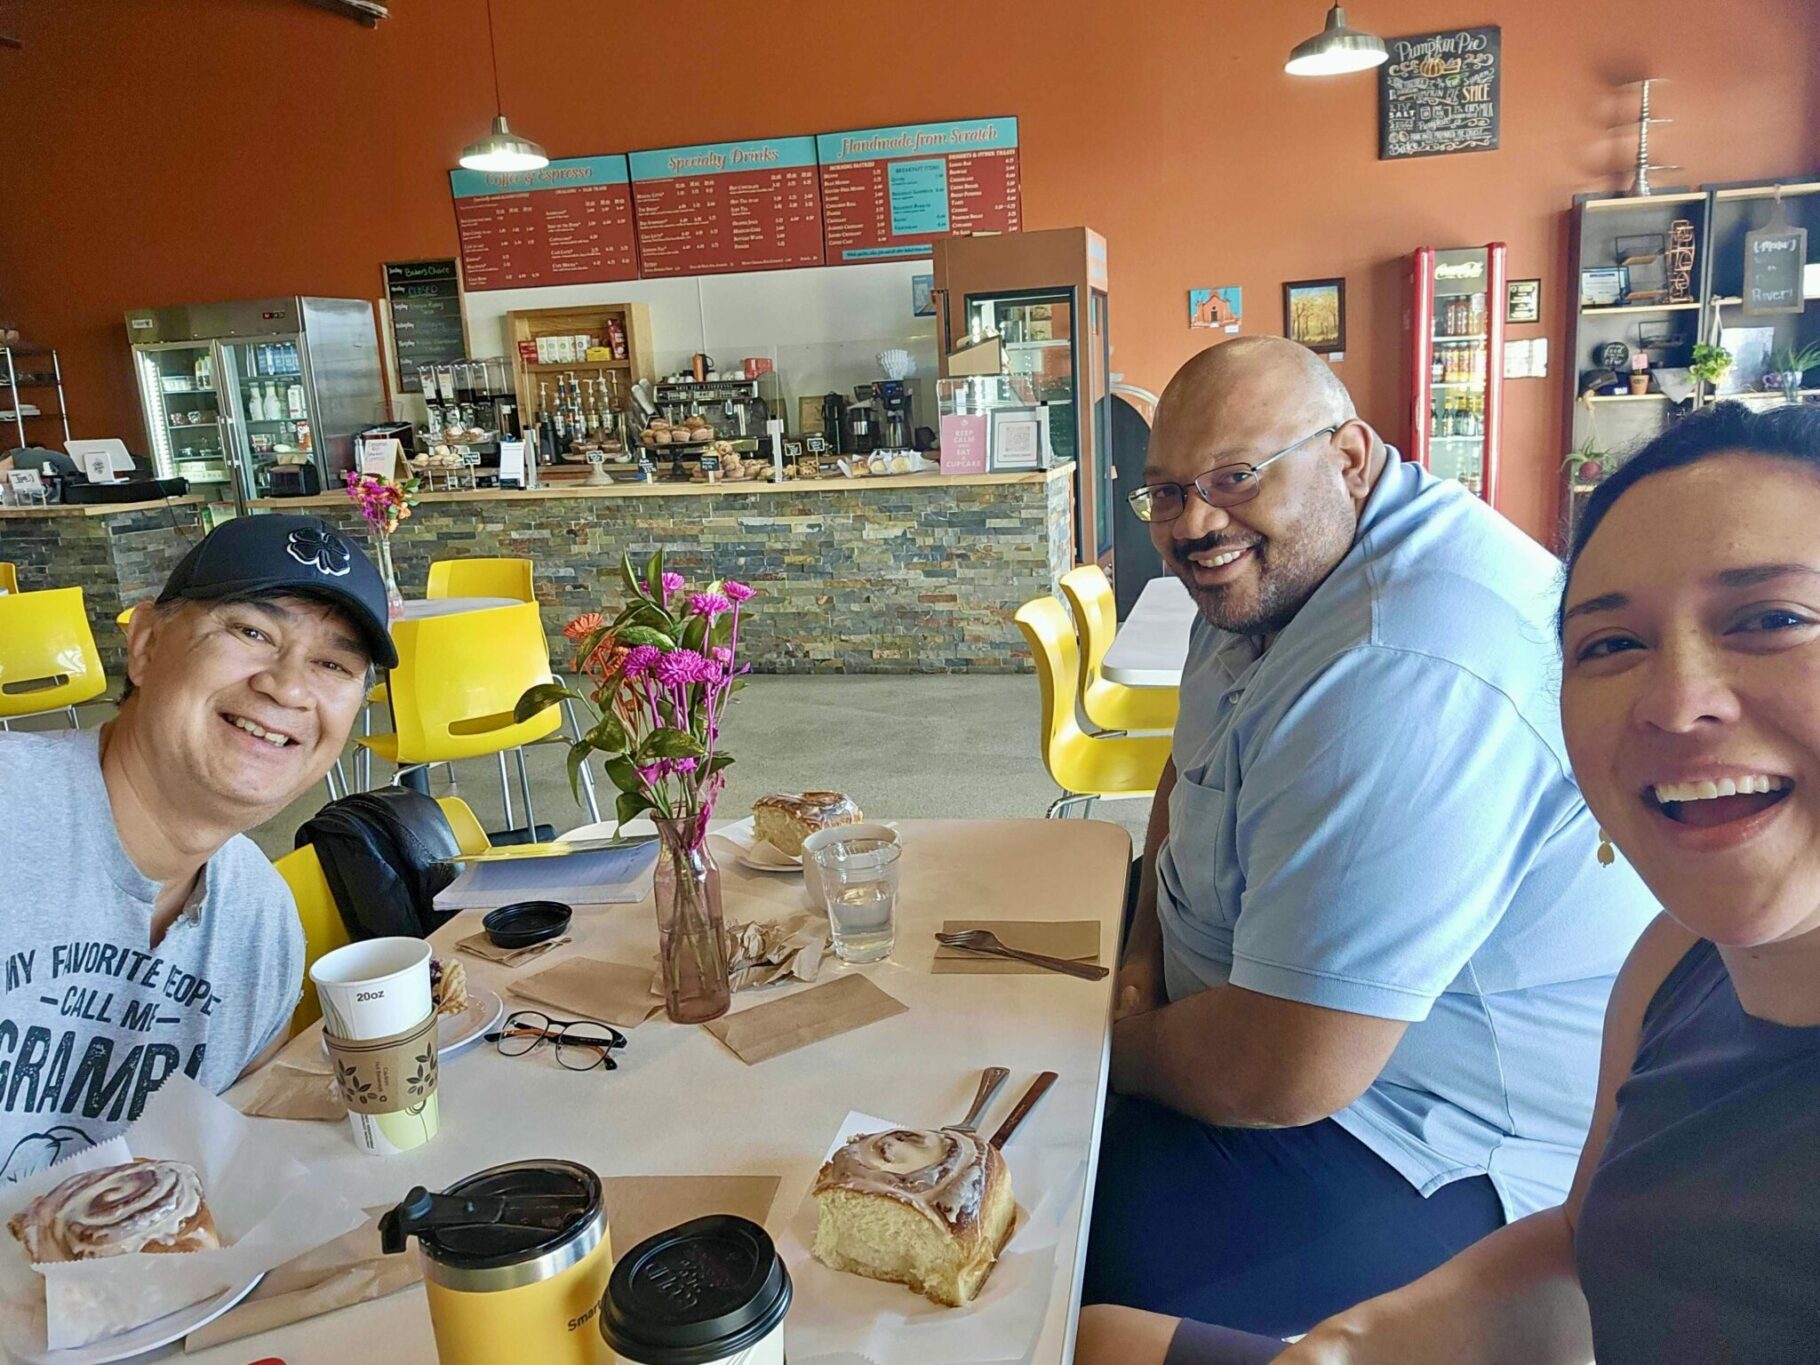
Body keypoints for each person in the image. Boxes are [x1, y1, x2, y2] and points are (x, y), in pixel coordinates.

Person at [1080, 399, 1820, 1365]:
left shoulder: (1404, 659)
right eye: (1611, 643)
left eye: (1771, 620)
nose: (1679, 702)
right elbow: (1583, 1245)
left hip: (1420, 1140)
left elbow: (1290, 1066)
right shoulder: (1678, 960)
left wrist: (1097, 1048)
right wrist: (1349, 1347)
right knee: (1088, 1336)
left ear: (1348, 459)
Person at [0, 514, 395, 1181]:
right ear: (148, 643)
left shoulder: (260, 925)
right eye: (251, 631)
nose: (288, 685)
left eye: (333, 663)